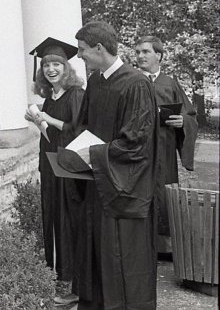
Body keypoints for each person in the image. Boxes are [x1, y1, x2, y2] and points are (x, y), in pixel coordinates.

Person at [71, 21, 159, 310]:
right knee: (97, 253)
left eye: (83, 50)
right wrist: (76, 152)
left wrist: (92, 155)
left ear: (98, 48)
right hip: (98, 181)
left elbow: (136, 143)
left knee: (123, 257)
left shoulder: (136, 84)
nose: (80, 56)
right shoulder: (96, 81)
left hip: (124, 187)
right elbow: (83, 125)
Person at [25, 37, 85, 307]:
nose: (51, 69)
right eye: (47, 65)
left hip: (69, 167)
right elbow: (51, 135)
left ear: (66, 68)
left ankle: (71, 281)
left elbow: (78, 130)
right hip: (51, 164)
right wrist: (39, 121)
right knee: (53, 217)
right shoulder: (50, 98)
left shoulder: (76, 95)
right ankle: (56, 273)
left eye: (57, 64)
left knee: (68, 220)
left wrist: (48, 118)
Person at [134, 35, 198, 255]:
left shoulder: (170, 83)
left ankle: (164, 248)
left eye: (146, 51)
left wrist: (183, 122)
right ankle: (139, 246)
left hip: (164, 149)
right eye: (138, 52)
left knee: (162, 193)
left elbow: (189, 115)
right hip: (138, 150)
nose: (140, 56)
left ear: (158, 55)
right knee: (139, 193)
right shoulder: (132, 81)